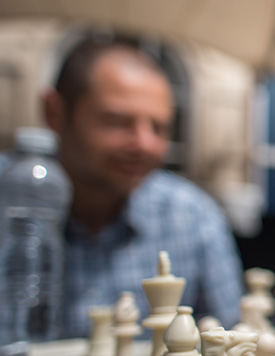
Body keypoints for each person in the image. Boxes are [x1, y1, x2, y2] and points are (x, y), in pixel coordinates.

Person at [0, 39, 244, 337]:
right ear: (54, 113)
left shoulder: (194, 217)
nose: (144, 144)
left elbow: (228, 345)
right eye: (117, 121)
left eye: (159, 128)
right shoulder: (10, 196)